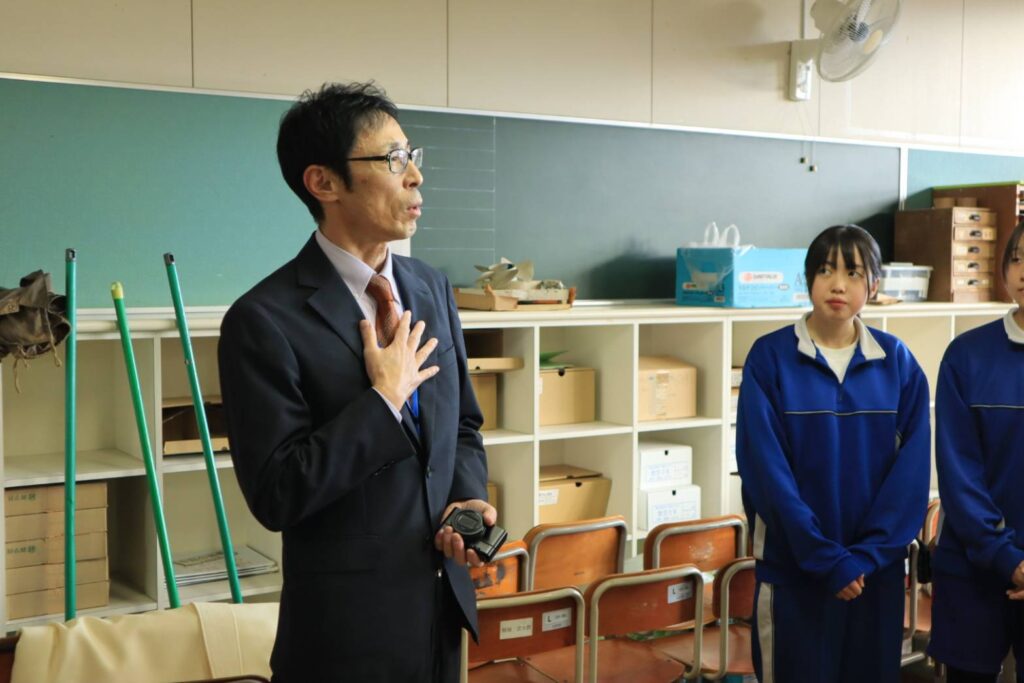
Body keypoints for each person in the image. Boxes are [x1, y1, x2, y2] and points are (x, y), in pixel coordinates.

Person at [217, 82, 493, 682]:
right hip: (345, 637)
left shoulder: (429, 287)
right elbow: (278, 493)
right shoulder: (262, 320)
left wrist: (467, 498)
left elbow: (462, 426)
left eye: (412, 156)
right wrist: (383, 400)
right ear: (324, 182)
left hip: (441, 617)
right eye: (393, 159)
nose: (415, 176)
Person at [736, 224, 930, 683]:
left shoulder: (897, 362)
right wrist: (825, 558)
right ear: (808, 281)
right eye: (825, 271)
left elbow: (910, 478)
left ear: (874, 286)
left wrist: (863, 559)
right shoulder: (770, 359)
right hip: (794, 574)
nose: (838, 285)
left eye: (853, 273)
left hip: (873, 580)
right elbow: (766, 474)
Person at [929, 221, 1024, 683]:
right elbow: (958, 473)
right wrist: (1009, 559)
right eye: (1018, 259)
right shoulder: (966, 355)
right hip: (973, 568)